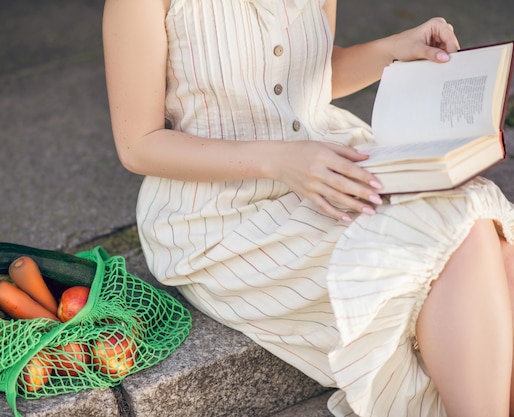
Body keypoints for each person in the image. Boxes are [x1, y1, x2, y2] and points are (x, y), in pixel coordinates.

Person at [102, 0, 514, 415]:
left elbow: (314, 71)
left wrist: (394, 48)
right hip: (222, 214)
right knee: (463, 240)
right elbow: (139, 144)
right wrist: (281, 160)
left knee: (484, 232)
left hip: (331, 163)